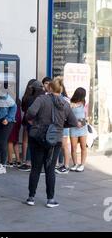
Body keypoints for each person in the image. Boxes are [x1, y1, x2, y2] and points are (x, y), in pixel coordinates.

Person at [25, 77, 79, 208]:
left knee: (36, 168)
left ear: (49, 87)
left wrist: (32, 121)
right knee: (50, 170)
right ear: (60, 89)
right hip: (55, 139)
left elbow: (30, 113)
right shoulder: (65, 103)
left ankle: (31, 197)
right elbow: (73, 122)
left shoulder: (41, 99)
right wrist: (60, 126)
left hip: (37, 136)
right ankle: (50, 199)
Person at [18, 79, 36, 172]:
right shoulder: (36, 97)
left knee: (25, 140)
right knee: (31, 141)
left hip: (25, 118)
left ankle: (24, 160)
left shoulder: (25, 96)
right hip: (32, 120)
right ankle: (29, 161)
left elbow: (23, 108)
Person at [69, 87, 88, 172]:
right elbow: (68, 116)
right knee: (73, 147)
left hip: (83, 128)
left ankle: (82, 164)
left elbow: (86, 117)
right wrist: (75, 123)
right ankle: (75, 163)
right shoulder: (71, 104)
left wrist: (82, 123)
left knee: (83, 146)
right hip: (73, 127)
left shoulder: (84, 103)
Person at [56, 83, 71, 174]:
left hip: (63, 125)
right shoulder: (54, 97)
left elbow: (68, 113)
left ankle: (66, 165)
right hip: (57, 125)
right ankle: (57, 164)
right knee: (57, 145)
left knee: (64, 145)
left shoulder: (65, 99)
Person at [7, 98, 22, 168]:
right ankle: (18, 160)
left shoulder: (10, 98)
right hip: (18, 119)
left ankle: (10, 161)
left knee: (10, 141)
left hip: (12, 120)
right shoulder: (17, 98)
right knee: (15, 141)